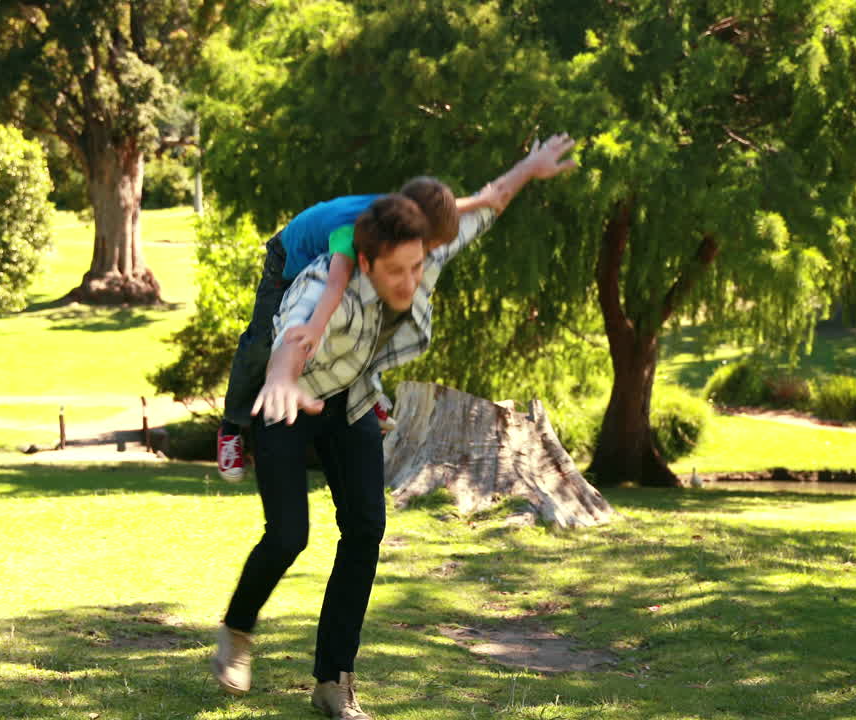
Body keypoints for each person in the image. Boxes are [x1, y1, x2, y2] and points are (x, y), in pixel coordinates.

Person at [210, 134, 579, 719]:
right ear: (365, 262)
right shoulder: (318, 287)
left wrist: (529, 171)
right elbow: (291, 339)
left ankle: (334, 682)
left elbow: (485, 205)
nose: (411, 283)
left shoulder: (421, 250)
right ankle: (236, 631)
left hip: (351, 402)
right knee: (288, 536)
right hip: (289, 403)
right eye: (397, 272)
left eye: (418, 266)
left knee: (364, 529)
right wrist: (278, 379)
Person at [215, 178, 500, 482]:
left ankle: (365, 392)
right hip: (289, 261)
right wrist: (314, 326)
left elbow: (450, 206)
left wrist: (484, 200)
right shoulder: (350, 233)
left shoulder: (403, 213)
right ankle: (231, 427)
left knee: (369, 316)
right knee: (261, 343)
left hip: (331, 255)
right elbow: (335, 283)